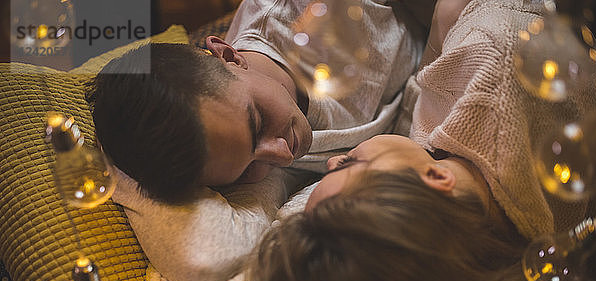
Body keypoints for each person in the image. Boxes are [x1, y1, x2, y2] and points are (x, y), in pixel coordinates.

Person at [246, 0, 596, 281]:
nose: (331, 163)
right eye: (347, 165)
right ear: (434, 177)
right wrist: (444, 29)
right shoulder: (489, 61)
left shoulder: (491, 236)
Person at [87, 0, 430, 204]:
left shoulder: (309, 13)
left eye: (259, 121)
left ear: (229, 55)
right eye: (250, 168)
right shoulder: (236, 154)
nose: (283, 154)